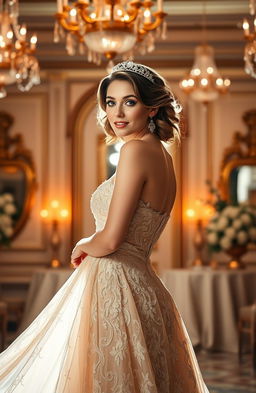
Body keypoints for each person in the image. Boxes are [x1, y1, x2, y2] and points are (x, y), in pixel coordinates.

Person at [0, 61, 209, 393]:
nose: (118, 112)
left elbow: (111, 238)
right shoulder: (162, 155)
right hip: (145, 288)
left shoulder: (135, 150)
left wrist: (84, 242)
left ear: (152, 107)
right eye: (111, 102)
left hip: (116, 286)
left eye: (130, 101)